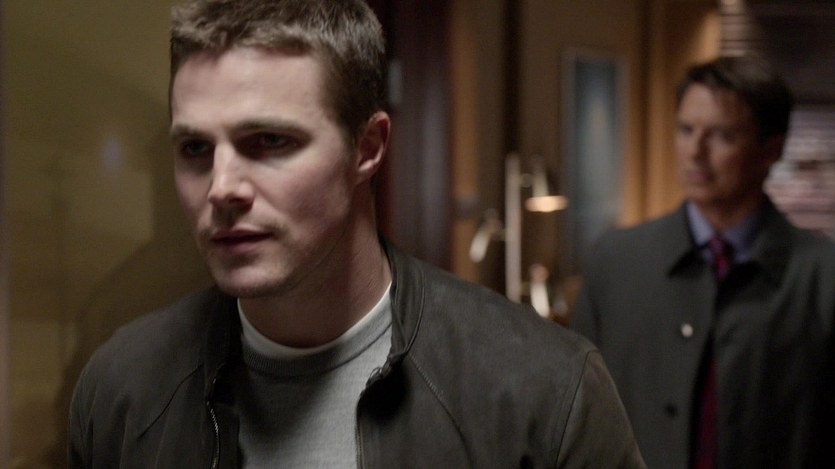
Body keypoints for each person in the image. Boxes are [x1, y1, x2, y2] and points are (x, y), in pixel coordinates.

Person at [68, 1, 644, 467]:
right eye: (196, 148)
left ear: (366, 148)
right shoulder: (122, 390)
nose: (221, 188)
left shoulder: (544, 393)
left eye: (269, 142)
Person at [572, 55, 835, 469]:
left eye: (722, 135)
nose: (695, 152)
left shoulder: (822, 275)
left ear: (772, 148)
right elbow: (579, 418)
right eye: (686, 130)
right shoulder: (616, 262)